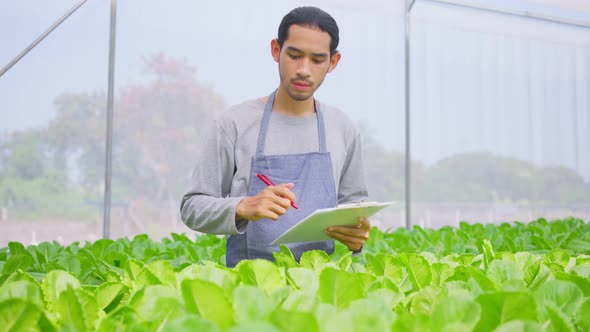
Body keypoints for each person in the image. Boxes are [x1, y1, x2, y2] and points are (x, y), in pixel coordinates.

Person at [180, 6, 371, 267]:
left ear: (333, 62)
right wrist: (242, 207)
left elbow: (355, 205)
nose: (304, 69)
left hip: (319, 290)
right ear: (275, 50)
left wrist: (357, 237)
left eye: (317, 60)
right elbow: (192, 207)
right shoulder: (234, 123)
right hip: (248, 287)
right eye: (294, 55)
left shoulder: (343, 128)